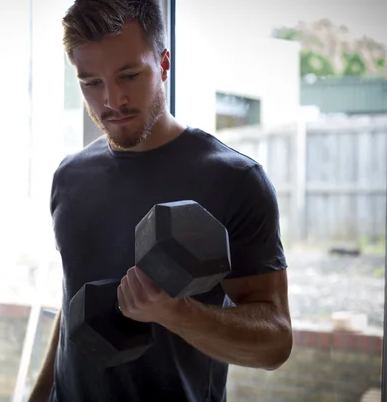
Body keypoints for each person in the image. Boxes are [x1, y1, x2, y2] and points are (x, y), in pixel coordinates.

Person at [29, 1, 293, 401]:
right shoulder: (69, 176)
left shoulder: (234, 180)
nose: (112, 101)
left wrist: (176, 313)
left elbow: (275, 342)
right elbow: (72, 305)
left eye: (129, 75)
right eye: (91, 83)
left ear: (164, 64)